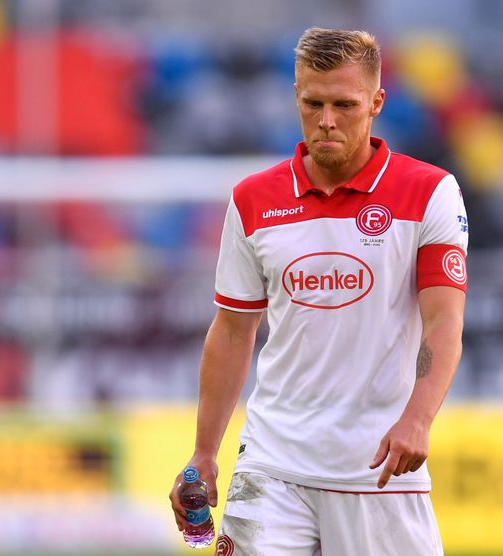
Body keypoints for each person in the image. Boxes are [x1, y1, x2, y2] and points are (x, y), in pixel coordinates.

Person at [169, 27, 468, 555]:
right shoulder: (253, 199)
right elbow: (234, 331)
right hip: (272, 462)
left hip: (378, 467)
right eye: (313, 103)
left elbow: (444, 323)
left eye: (344, 105)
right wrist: (203, 451)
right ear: (296, 98)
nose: (327, 121)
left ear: (376, 102)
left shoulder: (430, 191)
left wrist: (418, 419)